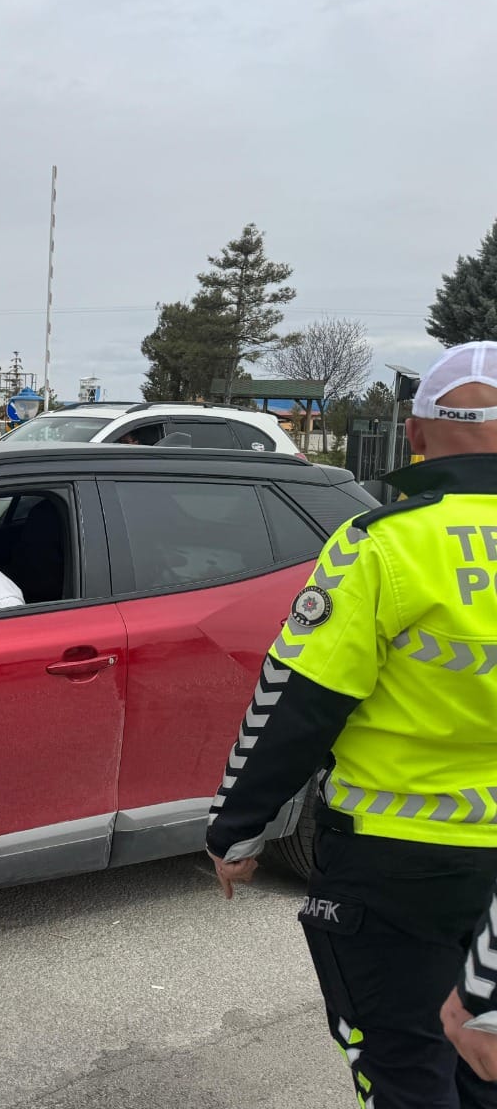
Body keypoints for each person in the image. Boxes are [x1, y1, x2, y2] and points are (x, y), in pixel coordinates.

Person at [206, 340, 497, 1108]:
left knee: (404, 1068)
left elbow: (296, 699)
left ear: (415, 435)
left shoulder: (383, 543)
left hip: (396, 863)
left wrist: (236, 827)